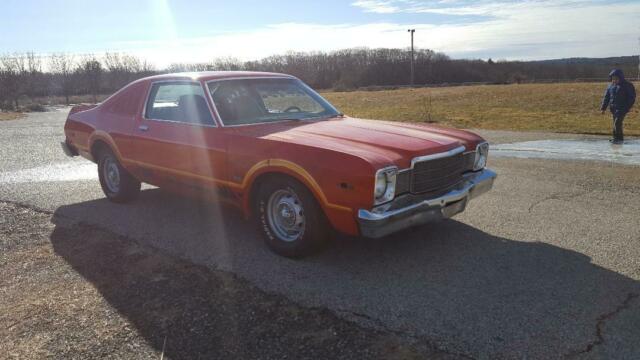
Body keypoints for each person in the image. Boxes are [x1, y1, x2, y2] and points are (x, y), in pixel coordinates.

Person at [600, 69, 636, 144]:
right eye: (613, 79)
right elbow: (607, 97)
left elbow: (631, 97)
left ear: (621, 78)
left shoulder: (627, 85)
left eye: (616, 79)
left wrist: (627, 107)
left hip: (622, 108)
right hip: (613, 108)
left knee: (617, 122)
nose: (614, 80)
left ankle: (619, 139)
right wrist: (603, 108)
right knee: (615, 123)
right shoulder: (610, 86)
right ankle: (616, 137)